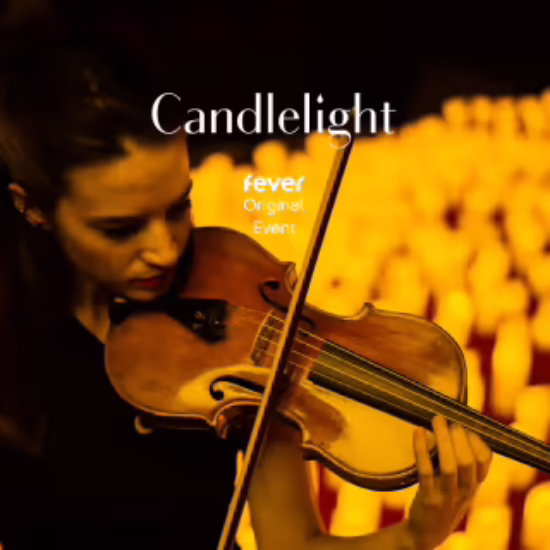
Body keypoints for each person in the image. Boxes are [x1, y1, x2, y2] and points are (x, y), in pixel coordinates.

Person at [0, 33, 493, 550]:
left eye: (179, 208)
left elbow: (293, 545)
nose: (166, 251)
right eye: (121, 229)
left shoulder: (226, 285)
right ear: (33, 208)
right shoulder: (15, 358)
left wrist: (415, 535)